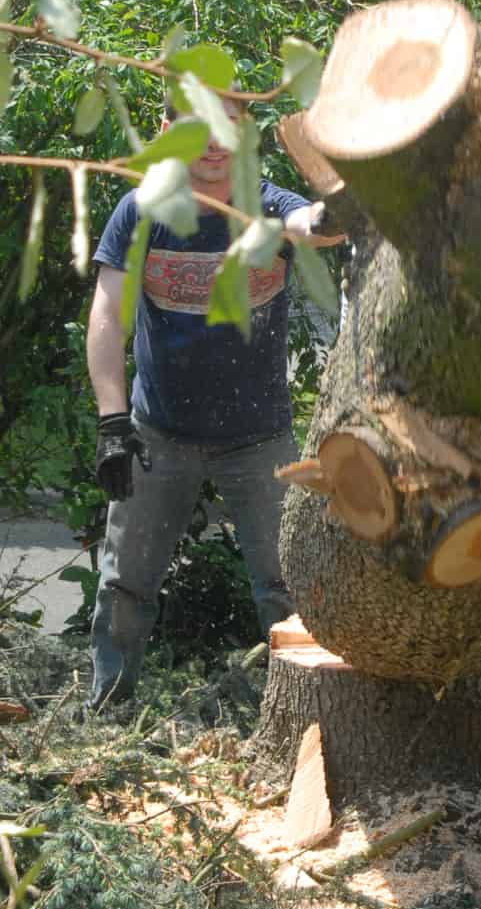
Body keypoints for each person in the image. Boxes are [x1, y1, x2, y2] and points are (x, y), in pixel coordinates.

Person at [86, 107, 331, 709]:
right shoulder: (143, 212)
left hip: (259, 440)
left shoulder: (269, 207)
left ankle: (304, 723)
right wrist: (113, 424)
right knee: (125, 585)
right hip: (157, 434)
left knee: (290, 587)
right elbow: (106, 317)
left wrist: (342, 201)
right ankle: (107, 717)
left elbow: (314, 228)